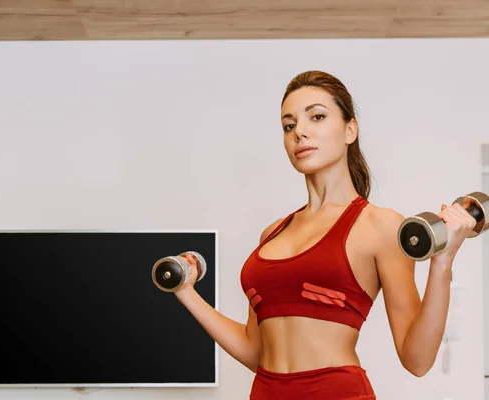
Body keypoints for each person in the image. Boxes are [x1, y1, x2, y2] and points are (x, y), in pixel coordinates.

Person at [173, 70, 477, 399]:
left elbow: (417, 360)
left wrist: (442, 261)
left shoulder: (380, 226)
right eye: (289, 126)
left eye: (316, 116)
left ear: (350, 130)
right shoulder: (272, 234)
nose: (300, 132)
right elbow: (255, 352)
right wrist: (186, 291)